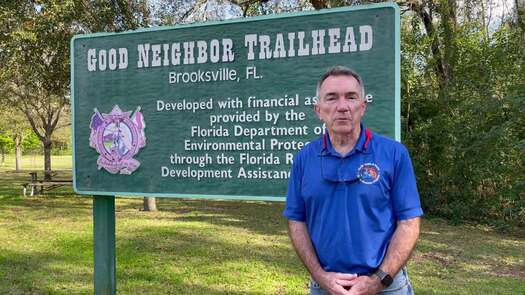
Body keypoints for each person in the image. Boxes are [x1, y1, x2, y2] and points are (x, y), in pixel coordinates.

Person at [283, 66, 423, 295]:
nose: (342, 106)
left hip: (386, 286)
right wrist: (320, 277)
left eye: (351, 97)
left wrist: (379, 280)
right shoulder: (304, 159)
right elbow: (296, 221)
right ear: (318, 110)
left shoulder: (394, 154)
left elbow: (409, 222)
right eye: (331, 98)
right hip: (326, 286)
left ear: (362, 106)